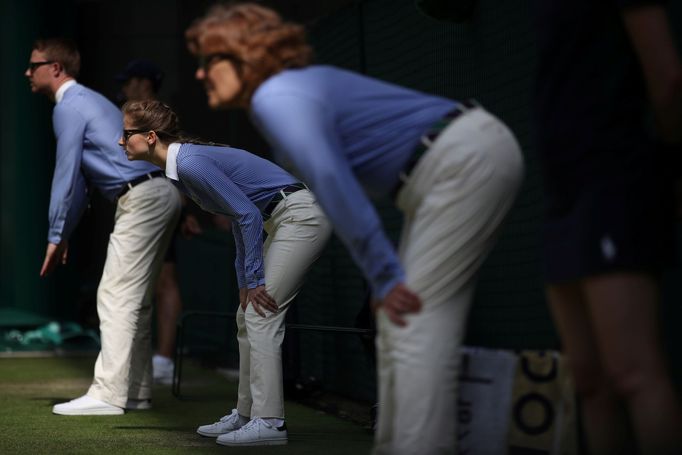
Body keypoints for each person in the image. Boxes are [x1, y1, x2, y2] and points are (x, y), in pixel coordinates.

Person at [185, 4, 524, 454]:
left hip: (461, 160)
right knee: (403, 325)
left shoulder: (275, 97)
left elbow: (334, 184)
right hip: (454, 162)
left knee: (411, 324)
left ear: (244, 60)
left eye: (211, 61)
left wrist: (384, 274)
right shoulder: (283, 96)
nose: (200, 75)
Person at [119, 99, 331, 446]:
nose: (120, 141)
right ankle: (247, 415)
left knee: (261, 314)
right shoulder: (181, 167)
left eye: (126, 134)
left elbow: (246, 215)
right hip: (281, 219)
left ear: (151, 136)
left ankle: (270, 422)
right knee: (248, 314)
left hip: (301, 217)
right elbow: (239, 218)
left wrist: (255, 280)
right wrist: (245, 283)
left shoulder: (189, 163)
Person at [535, 1, 682, 454]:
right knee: (588, 378)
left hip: (614, 177)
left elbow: (668, 79)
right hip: (563, 190)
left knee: (631, 372)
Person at [26, 37, 181, 415]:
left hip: (143, 196)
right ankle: (137, 391)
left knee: (114, 295)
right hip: (160, 192)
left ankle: (108, 394)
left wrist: (54, 234)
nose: (27, 72)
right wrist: (61, 233)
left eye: (34, 65)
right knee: (137, 301)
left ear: (56, 69)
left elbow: (65, 174)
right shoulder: (86, 102)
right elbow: (80, 181)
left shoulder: (69, 106)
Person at [115, 58, 183, 385]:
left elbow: (179, 160)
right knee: (152, 281)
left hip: (158, 202)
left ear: (143, 83)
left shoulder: (157, 116)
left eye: (128, 81)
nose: (124, 88)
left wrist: (186, 206)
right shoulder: (131, 114)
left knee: (164, 280)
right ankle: (150, 360)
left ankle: (165, 360)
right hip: (147, 201)